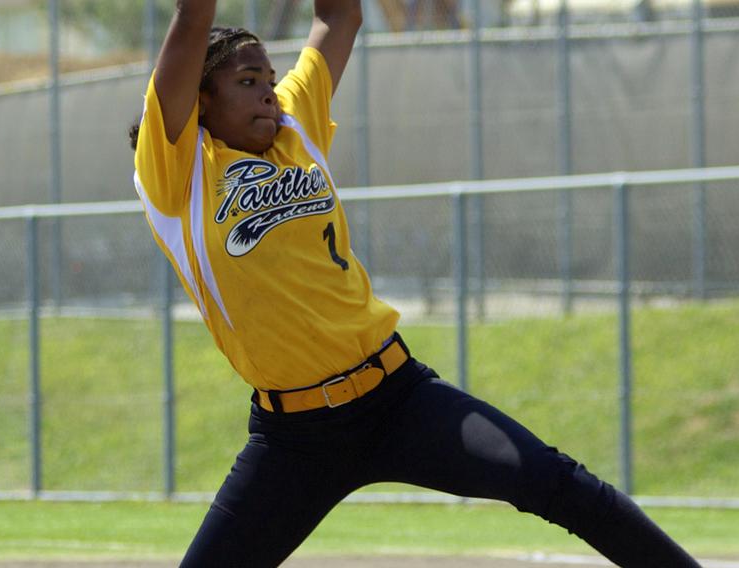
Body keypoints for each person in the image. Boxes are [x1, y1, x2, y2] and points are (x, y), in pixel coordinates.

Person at [130, 1, 706, 566]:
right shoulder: (177, 176)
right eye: (249, 80)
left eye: (271, 80)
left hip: (398, 398)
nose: (269, 93)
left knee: (555, 481)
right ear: (198, 101)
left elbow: (340, 15)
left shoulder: (293, 127)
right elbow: (193, 17)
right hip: (295, 439)